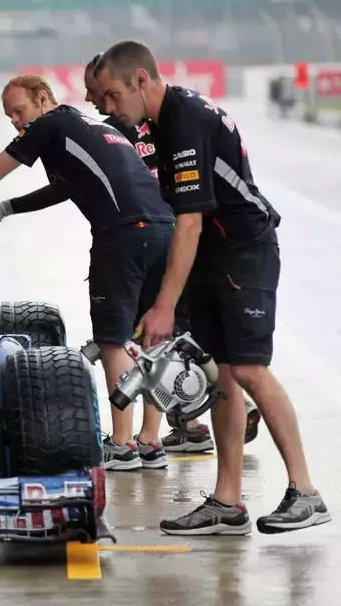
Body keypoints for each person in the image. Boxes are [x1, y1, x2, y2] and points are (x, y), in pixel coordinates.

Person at [94, 41, 331, 535]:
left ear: (141, 79)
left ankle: (306, 492)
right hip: (215, 257)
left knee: (248, 369)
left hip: (244, 250)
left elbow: (190, 224)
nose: (110, 109)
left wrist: (164, 306)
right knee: (225, 375)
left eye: (113, 96)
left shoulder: (184, 120)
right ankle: (227, 501)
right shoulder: (161, 122)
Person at [0, 74, 176, 471]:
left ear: (42, 99)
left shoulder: (49, 124)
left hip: (122, 236)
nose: (16, 122)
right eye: (8, 117)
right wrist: (7, 208)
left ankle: (123, 445)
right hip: (164, 228)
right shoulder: (86, 127)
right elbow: (65, 188)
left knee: (113, 340)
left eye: (19, 112)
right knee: (155, 337)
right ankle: (150, 441)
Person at [81, 54, 263, 453]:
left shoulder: (117, 131)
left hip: (172, 232)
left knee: (149, 336)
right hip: (181, 233)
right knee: (177, 332)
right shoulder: (161, 122)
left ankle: (152, 432)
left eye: (98, 91)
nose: (92, 99)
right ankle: (194, 420)